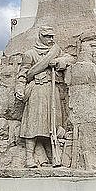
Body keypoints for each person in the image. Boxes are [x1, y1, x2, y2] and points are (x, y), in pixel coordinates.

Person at [15, 26, 70, 168]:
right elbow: (23, 74)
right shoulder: (30, 54)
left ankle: (53, 157)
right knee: (33, 125)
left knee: (52, 124)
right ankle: (29, 158)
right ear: (41, 37)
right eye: (47, 36)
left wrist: (58, 62)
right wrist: (19, 89)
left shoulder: (56, 51)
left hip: (52, 91)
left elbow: (69, 58)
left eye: (52, 36)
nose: (51, 39)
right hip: (37, 91)